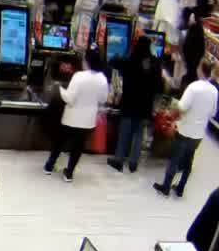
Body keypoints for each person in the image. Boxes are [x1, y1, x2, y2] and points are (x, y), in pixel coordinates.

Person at [155, 60, 218, 198]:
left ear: (200, 70)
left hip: (185, 129)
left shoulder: (193, 87)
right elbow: (213, 113)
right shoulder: (214, 90)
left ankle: (166, 186)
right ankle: (180, 188)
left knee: (174, 158)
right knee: (189, 161)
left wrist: (171, 114)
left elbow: (182, 107)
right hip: (199, 133)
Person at [45, 50, 109, 182]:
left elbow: (69, 98)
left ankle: (49, 166)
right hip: (88, 121)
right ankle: (69, 173)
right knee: (78, 148)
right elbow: (103, 99)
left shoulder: (79, 76)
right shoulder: (102, 78)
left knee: (60, 142)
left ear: (87, 62)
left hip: (71, 118)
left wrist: (60, 88)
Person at [109, 34, 163, 173]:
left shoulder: (131, 59)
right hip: (145, 106)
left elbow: (113, 62)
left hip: (129, 103)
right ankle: (133, 163)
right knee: (139, 135)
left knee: (125, 132)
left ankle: (119, 160)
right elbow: (159, 86)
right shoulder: (155, 64)